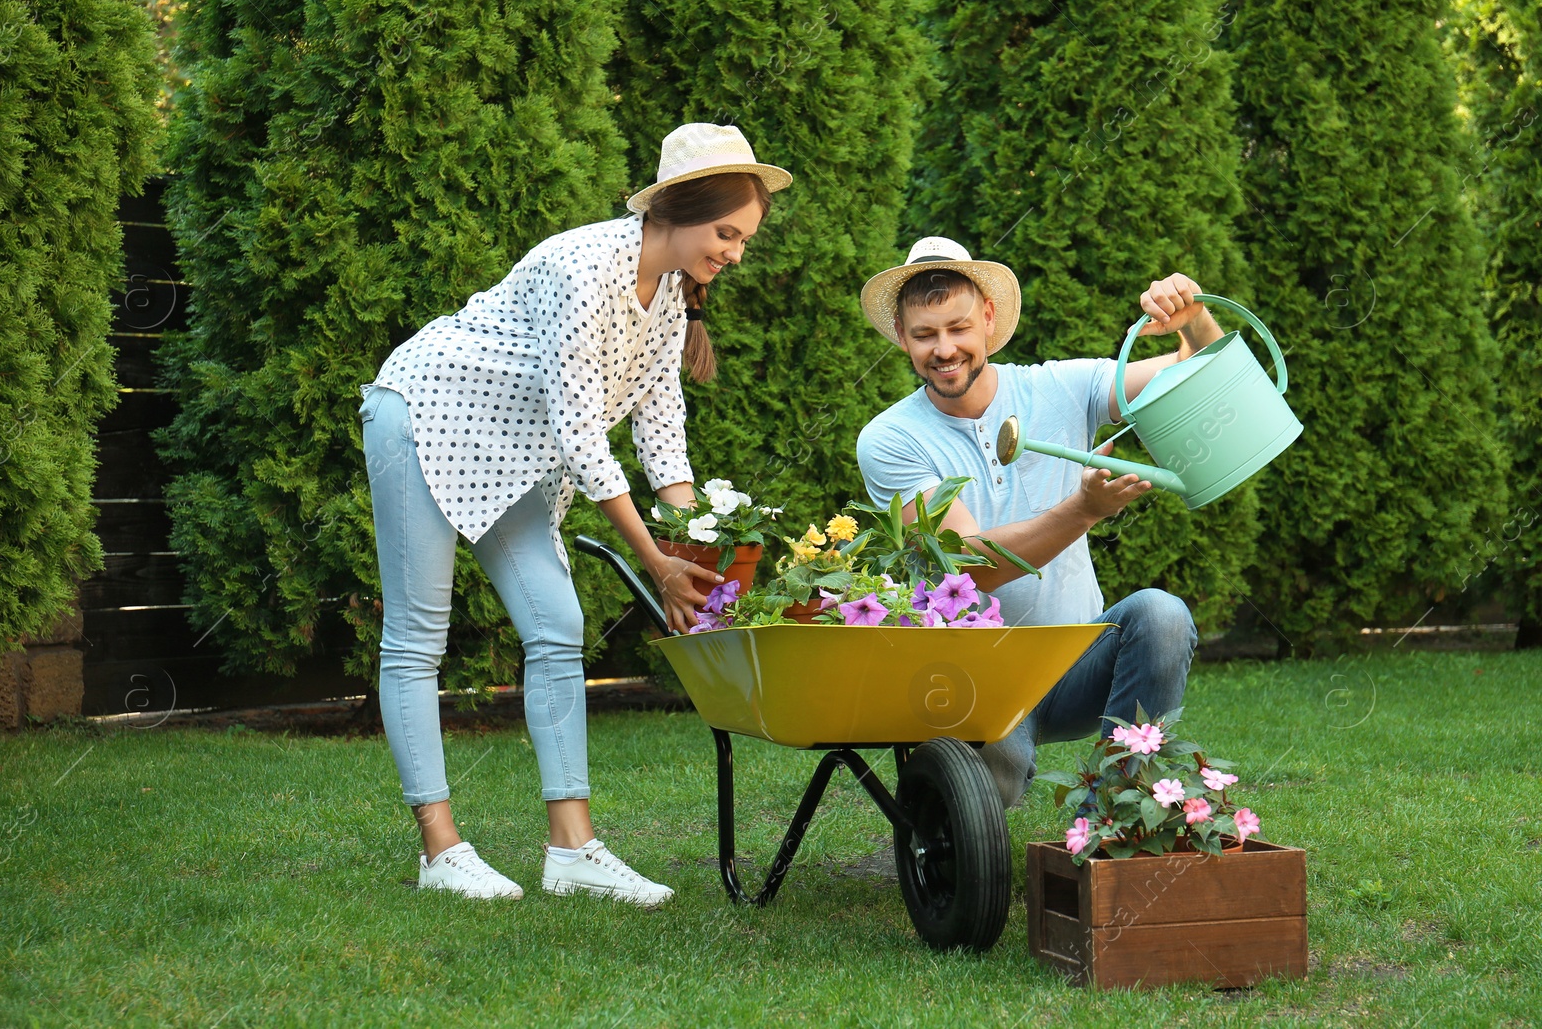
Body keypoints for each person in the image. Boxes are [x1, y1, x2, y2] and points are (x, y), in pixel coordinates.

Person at [360, 123, 791, 903]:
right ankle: (441, 849)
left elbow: (662, 430)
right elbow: (582, 430)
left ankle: (572, 848)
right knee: (419, 636)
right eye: (727, 232)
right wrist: (654, 562)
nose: (735, 252)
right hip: (426, 415)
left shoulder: (665, 296)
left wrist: (697, 546)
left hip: (514, 453)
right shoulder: (580, 267)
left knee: (556, 626)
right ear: (679, 209)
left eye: (744, 239)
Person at [855, 237, 1222, 809]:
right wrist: (1082, 510)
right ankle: (960, 821)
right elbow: (970, 565)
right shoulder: (890, 439)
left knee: (1161, 614)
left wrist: (1195, 321)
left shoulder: (1059, 387)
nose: (944, 349)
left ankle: (1119, 815)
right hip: (973, 676)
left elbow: (1200, 379)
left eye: (958, 328)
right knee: (979, 815)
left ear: (989, 319)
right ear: (902, 337)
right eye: (925, 335)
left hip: (1073, 661)